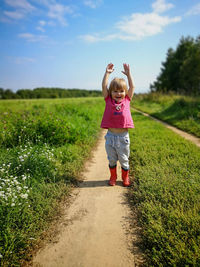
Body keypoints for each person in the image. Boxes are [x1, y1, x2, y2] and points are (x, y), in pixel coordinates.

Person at [100, 63, 135, 186]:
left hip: (123, 137)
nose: (118, 93)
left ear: (125, 92)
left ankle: (125, 178)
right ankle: (113, 176)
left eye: (121, 91)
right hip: (110, 137)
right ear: (111, 92)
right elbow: (104, 86)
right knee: (112, 159)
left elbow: (132, 86)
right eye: (115, 91)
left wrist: (128, 74)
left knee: (124, 160)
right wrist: (107, 73)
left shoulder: (127, 100)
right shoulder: (108, 100)